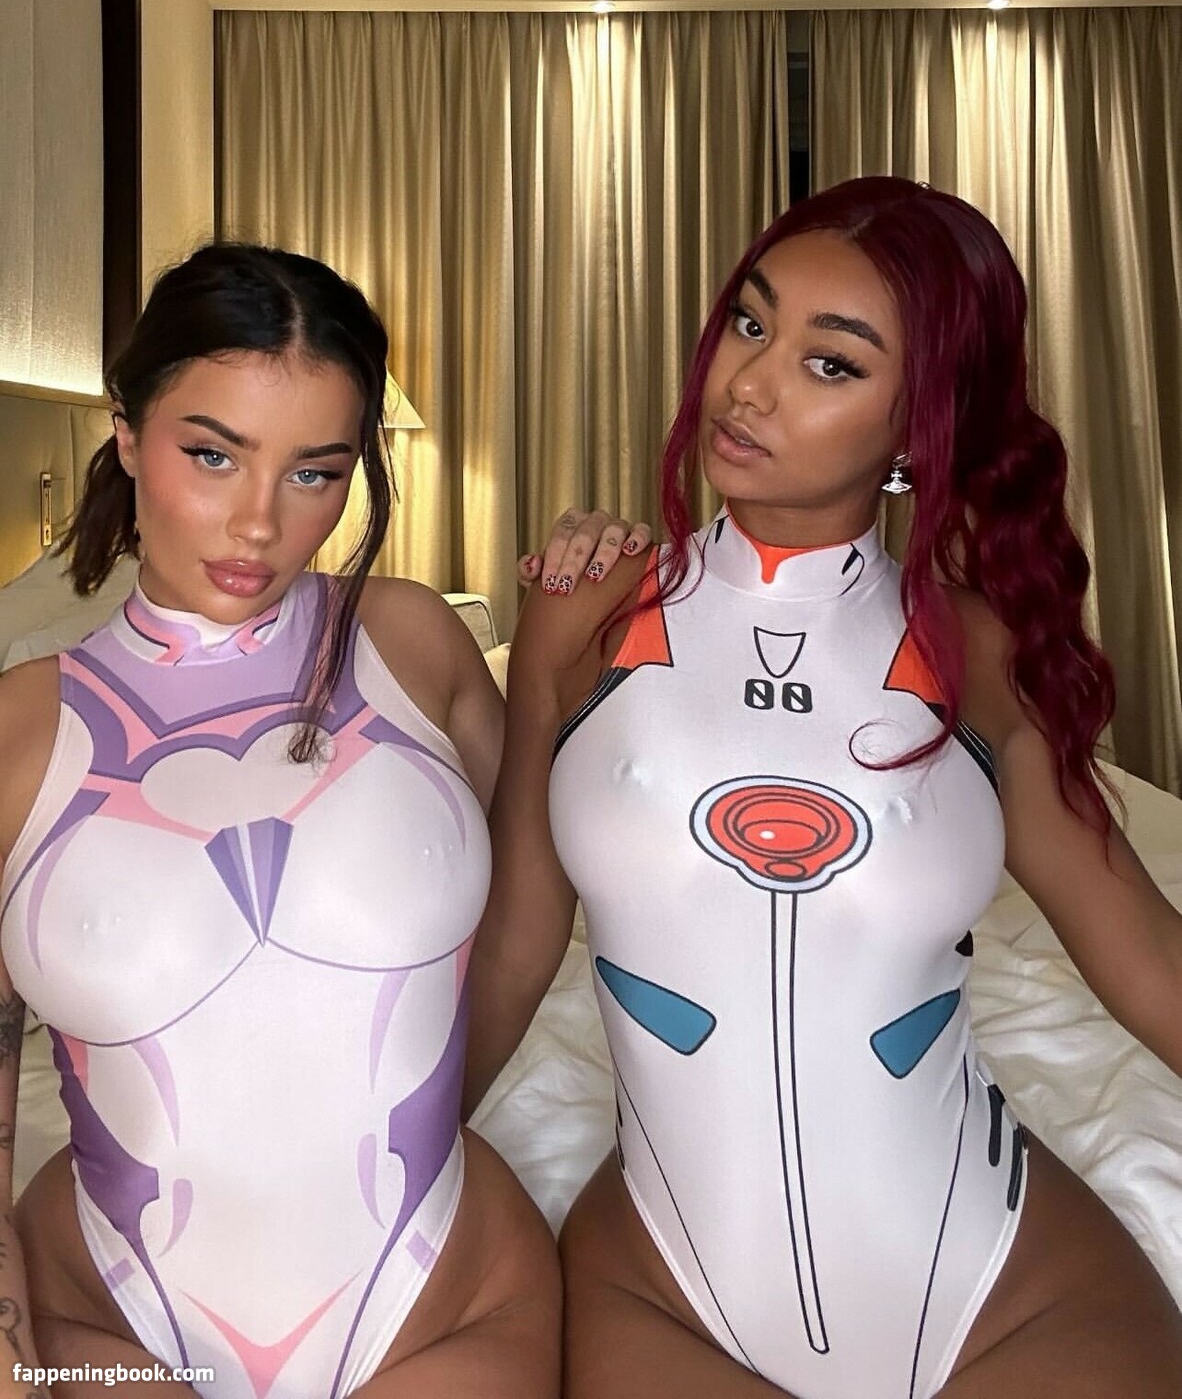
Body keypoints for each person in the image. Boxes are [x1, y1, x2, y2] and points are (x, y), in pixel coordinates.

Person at [470, 176, 1182, 1399]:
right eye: (750, 324)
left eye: (830, 363)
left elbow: (1148, 955)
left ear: (920, 425)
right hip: (666, 1296)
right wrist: (384, 1175)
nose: (749, 385)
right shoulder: (584, 613)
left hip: (1009, 1295)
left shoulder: (979, 652)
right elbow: (512, 949)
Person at [0, 242, 645, 1399]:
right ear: (127, 433)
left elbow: (538, 895)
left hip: (446, 1304)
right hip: (107, 1318)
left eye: (315, 471)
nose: (258, 522)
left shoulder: (410, 639)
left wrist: (558, 661)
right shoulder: (20, 727)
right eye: (213, 454)